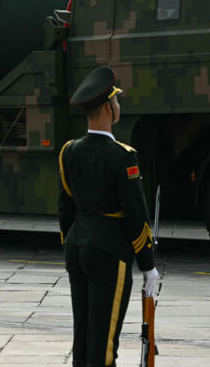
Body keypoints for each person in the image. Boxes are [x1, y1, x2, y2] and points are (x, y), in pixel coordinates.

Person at [57, 66, 158, 367]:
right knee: (103, 345)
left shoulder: (69, 151)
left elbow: (65, 209)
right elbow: (135, 214)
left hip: (77, 250)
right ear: (108, 108)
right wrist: (147, 264)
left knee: (84, 340)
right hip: (108, 253)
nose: (119, 106)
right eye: (116, 100)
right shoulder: (122, 155)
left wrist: (70, 245)